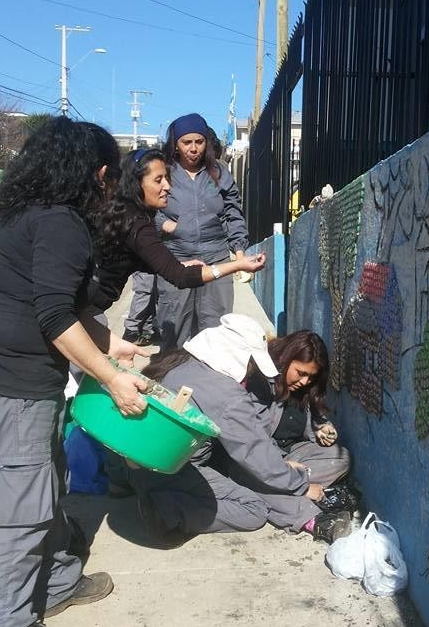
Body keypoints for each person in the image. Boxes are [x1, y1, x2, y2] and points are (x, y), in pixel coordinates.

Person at [0, 117, 149, 627]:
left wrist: (113, 347)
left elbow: (63, 306)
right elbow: (56, 316)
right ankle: (3, 625)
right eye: (111, 178)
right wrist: (112, 378)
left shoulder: (24, 214)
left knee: (46, 482)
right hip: (9, 384)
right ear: (99, 174)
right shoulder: (61, 224)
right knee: (21, 506)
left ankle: (56, 580)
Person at [127, 314, 326, 539]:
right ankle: (165, 510)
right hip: (168, 467)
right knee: (254, 510)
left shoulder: (181, 361)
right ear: (241, 358)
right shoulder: (228, 395)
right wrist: (300, 485)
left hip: (135, 457)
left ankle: (138, 487)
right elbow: (255, 455)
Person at [88, 147, 265, 323]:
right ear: (136, 183)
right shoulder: (137, 225)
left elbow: (149, 262)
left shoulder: (127, 215)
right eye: (158, 180)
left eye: (167, 178)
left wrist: (179, 264)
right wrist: (237, 265)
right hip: (83, 311)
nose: (167, 187)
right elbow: (180, 277)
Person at [155, 113, 250, 349]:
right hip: (176, 261)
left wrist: (239, 254)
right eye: (186, 142)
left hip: (216, 259)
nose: (193, 148)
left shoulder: (219, 172)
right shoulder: (163, 172)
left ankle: (209, 373)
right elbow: (145, 207)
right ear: (175, 144)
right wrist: (166, 225)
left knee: (216, 334)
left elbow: (233, 212)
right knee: (174, 331)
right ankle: (173, 371)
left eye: (199, 142)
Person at [247, 330, 351, 488]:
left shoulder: (305, 390)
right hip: (263, 457)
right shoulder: (262, 382)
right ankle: (284, 483)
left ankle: (284, 483)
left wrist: (320, 429)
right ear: (286, 359)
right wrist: (280, 465)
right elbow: (253, 437)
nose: (305, 381)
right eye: (301, 373)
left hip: (291, 454)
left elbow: (313, 421)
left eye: (311, 377)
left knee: (341, 458)